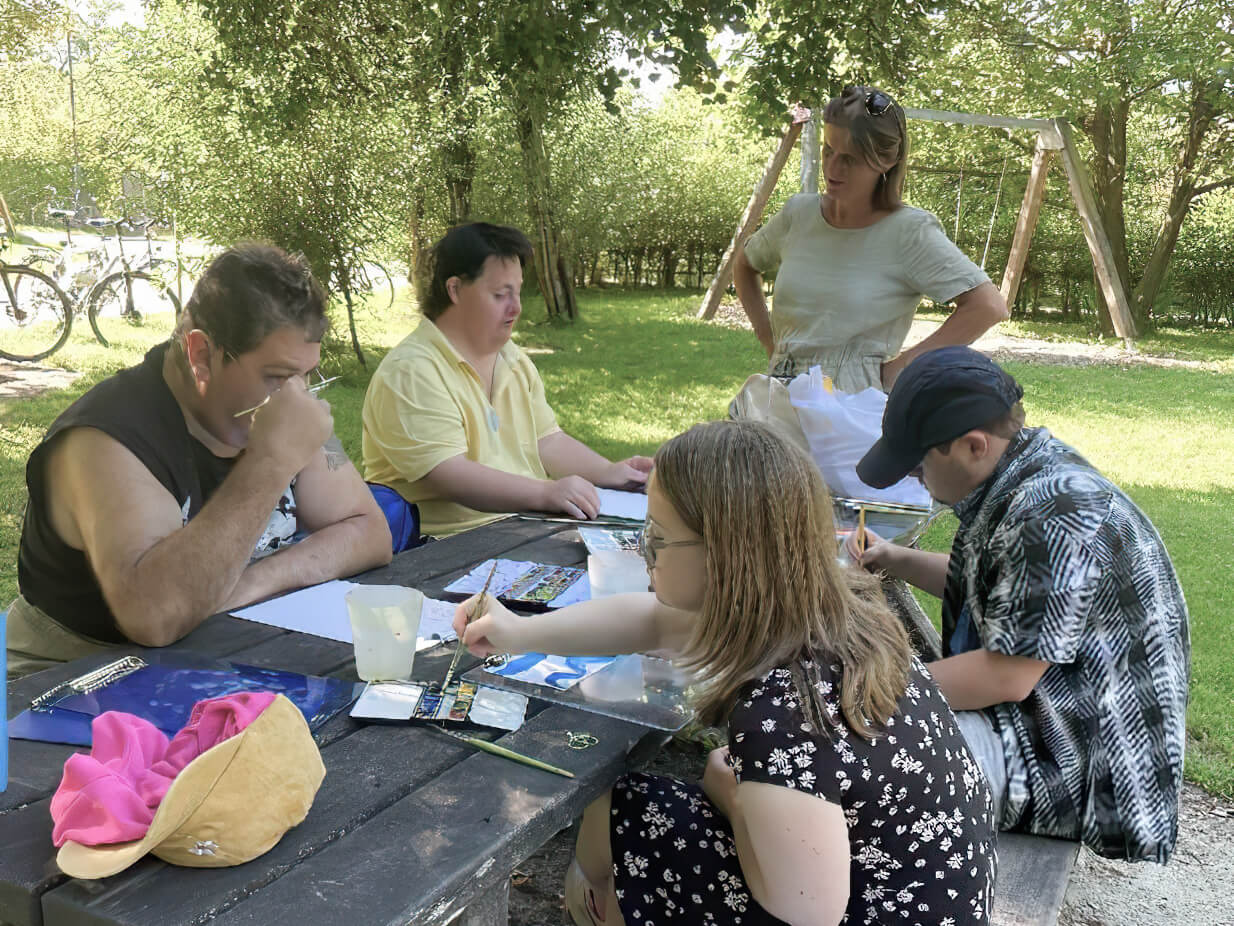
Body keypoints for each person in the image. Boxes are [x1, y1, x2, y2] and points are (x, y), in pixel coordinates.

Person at [455, 420, 996, 925]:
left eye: (657, 537)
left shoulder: (781, 712)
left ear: (724, 555)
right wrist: (517, 631)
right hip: (922, 892)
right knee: (629, 815)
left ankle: (601, 904)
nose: (645, 551)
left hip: (851, 906)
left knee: (623, 812)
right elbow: (653, 621)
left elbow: (807, 912)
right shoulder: (829, 614)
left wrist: (730, 793)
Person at [849, 346, 1190, 863]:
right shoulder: (1031, 472)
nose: (912, 477)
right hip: (1035, 725)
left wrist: (859, 683)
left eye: (918, 464)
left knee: (842, 755)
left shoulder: (1052, 513)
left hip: (1066, 768)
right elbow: (1002, 593)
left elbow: (1005, 676)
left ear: (973, 445)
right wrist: (893, 558)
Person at [7, 244, 393, 678]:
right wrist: (269, 463)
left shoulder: (283, 407)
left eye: (308, 374)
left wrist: (250, 582)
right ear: (201, 355)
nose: (297, 396)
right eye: (278, 376)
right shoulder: (106, 440)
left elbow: (369, 530)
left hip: (220, 662)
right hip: (70, 685)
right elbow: (156, 616)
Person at [362, 222, 652, 537]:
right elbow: (448, 474)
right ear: (455, 290)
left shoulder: (512, 359)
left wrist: (610, 472)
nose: (516, 307)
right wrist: (545, 493)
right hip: (446, 546)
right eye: (501, 294)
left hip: (525, 529)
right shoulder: (411, 372)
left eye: (517, 291)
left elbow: (548, 441)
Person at [733, 85, 1009, 392]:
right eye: (828, 151)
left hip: (853, 407)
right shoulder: (799, 214)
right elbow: (745, 264)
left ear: (887, 159)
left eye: (850, 159)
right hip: (778, 394)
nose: (832, 168)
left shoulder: (909, 231)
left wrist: (901, 368)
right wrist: (769, 340)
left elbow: (988, 306)